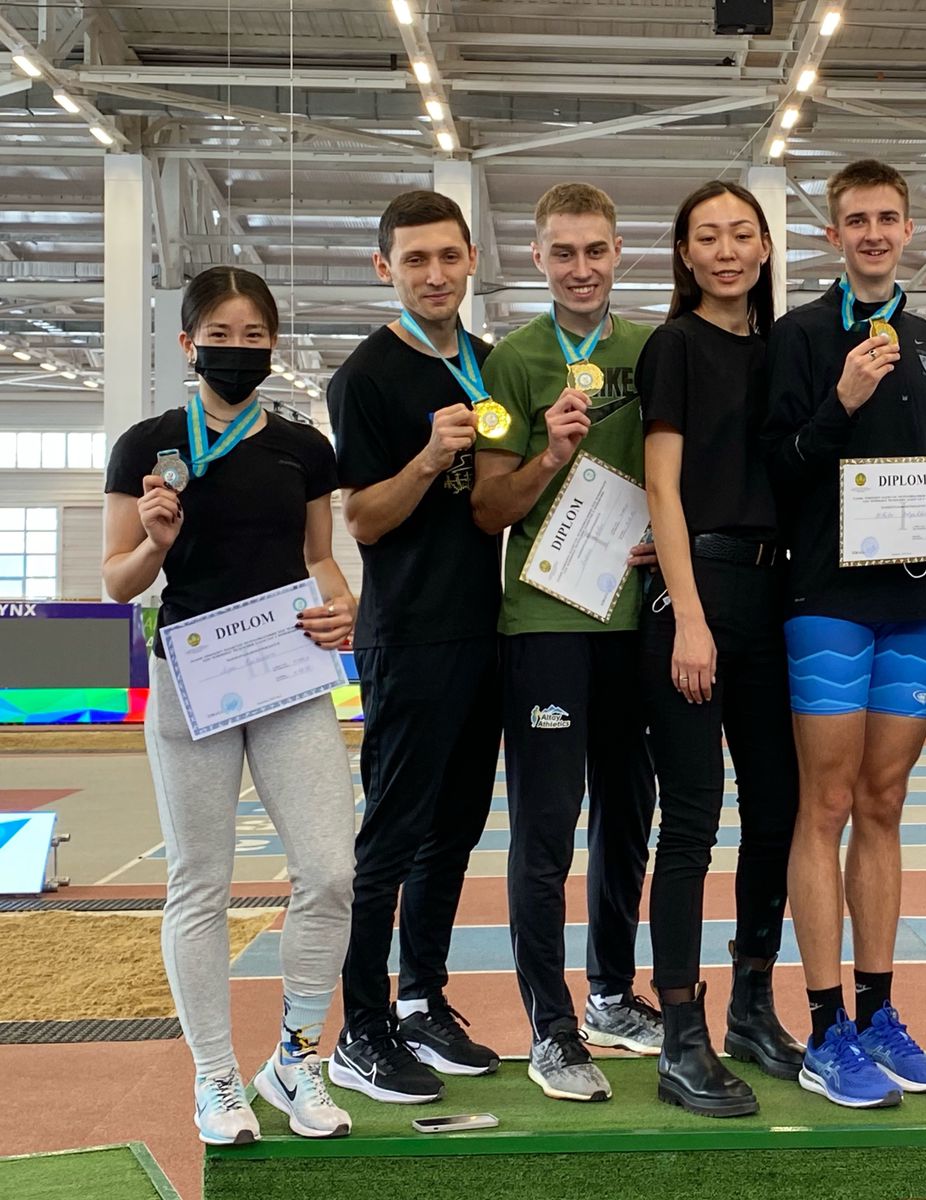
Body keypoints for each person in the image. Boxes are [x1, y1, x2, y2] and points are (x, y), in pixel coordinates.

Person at [102, 266, 357, 1144]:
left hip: (287, 673)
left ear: (273, 346)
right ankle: (214, 1076)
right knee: (200, 883)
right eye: (220, 335)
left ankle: (296, 1059)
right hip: (191, 677)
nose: (237, 350)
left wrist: (343, 605)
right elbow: (116, 581)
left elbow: (318, 560)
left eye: (254, 337)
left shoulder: (304, 448)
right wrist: (155, 543)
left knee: (330, 870)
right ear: (188, 344)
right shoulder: (146, 447)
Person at [763, 158, 926, 1110]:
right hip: (826, 598)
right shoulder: (801, 336)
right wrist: (840, 400)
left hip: (915, 599)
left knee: (884, 802)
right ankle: (824, 1030)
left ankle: (879, 1013)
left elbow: (920, 466)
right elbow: (777, 467)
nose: (875, 233)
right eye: (857, 220)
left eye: (889, 218)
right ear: (834, 235)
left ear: (908, 229)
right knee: (827, 803)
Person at [471, 182, 661, 1103]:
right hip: (547, 625)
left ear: (617, 252)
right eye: (562, 253)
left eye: (594, 250)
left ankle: (612, 997)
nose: (580, 269)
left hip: (637, 622)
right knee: (546, 831)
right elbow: (487, 508)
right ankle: (551, 1028)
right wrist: (548, 455)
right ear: (537, 259)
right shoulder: (512, 362)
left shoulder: (653, 351)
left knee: (628, 820)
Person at [325, 190, 502, 1105]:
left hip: (487, 630)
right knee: (391, 837)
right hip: (409, 634)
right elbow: (363, 517)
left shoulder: (490, 363)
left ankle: (422, 1000)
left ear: (472, 258)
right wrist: (429, 460)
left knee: (456, 831)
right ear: (384, 268)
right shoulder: (366, 377)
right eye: (415, 260)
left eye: (448, 256)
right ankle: (360, 1027)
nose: (435, 275)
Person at [637, 181, 802, 1117]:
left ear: (766, 248)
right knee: (693, 821)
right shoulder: (675, 346)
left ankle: (751, 1005)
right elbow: (663, 489)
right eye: (708, 236)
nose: (727, 250)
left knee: (776, 810)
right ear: (685, 254)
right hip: (697, 595)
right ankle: (679, 1034)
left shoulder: (783, 351)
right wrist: (690, 616)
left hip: (775, 598)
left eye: (743, 234)